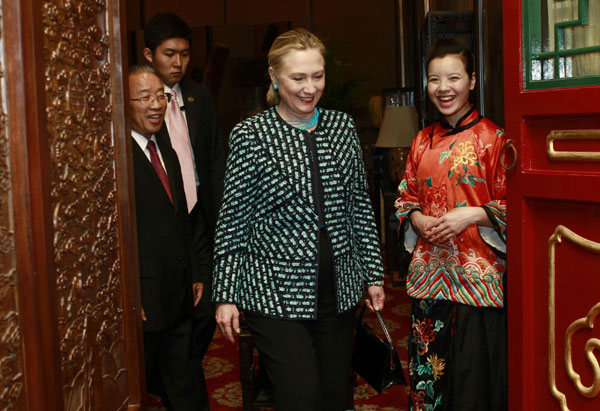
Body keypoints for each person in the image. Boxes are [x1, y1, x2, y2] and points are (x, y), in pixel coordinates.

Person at [212, 28, 385, 410]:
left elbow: (359, 207)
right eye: (298, 78)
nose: (310, 88)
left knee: (336, 395)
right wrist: (225, 294)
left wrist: (372, 274)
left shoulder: (341, 128)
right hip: (273, 293)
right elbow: (232, 220)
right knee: (299, 397)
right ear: (274, 77)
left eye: (317, 76)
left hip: (339, 290)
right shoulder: (251, 135)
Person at [394, 38, 507, 411]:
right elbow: (405, 196)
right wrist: (417, 218)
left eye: (454, 78)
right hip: (430, 280)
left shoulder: (494, 139)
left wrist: (473, 214)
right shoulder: (421, 141)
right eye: (434, 80)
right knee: (429, 378)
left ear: (472, 81)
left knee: (473, 380)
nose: (444, 89)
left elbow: (516, 205)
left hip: (477, 281)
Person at [143, 13, 226, 409]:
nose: (177, 63)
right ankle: (172, 376)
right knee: (172, 309)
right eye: (168, 54)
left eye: (184, 54)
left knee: (207, 305)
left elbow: (213, 159)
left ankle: (174, 374)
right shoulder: (140, 102)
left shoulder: (199, 96)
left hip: (200, 218)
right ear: (148, 55)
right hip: (165, 221)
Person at [128, 65, 211, 409]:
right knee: (136, 387)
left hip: (178, 292)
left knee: (187, 384)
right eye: (144, 97)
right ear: (123, 103)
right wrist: (129, 293)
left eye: (160, 96)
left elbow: (181, 220)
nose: (155, 104)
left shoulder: (166, 147)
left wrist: (192, 270)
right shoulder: (115, 157)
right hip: (143, 301)